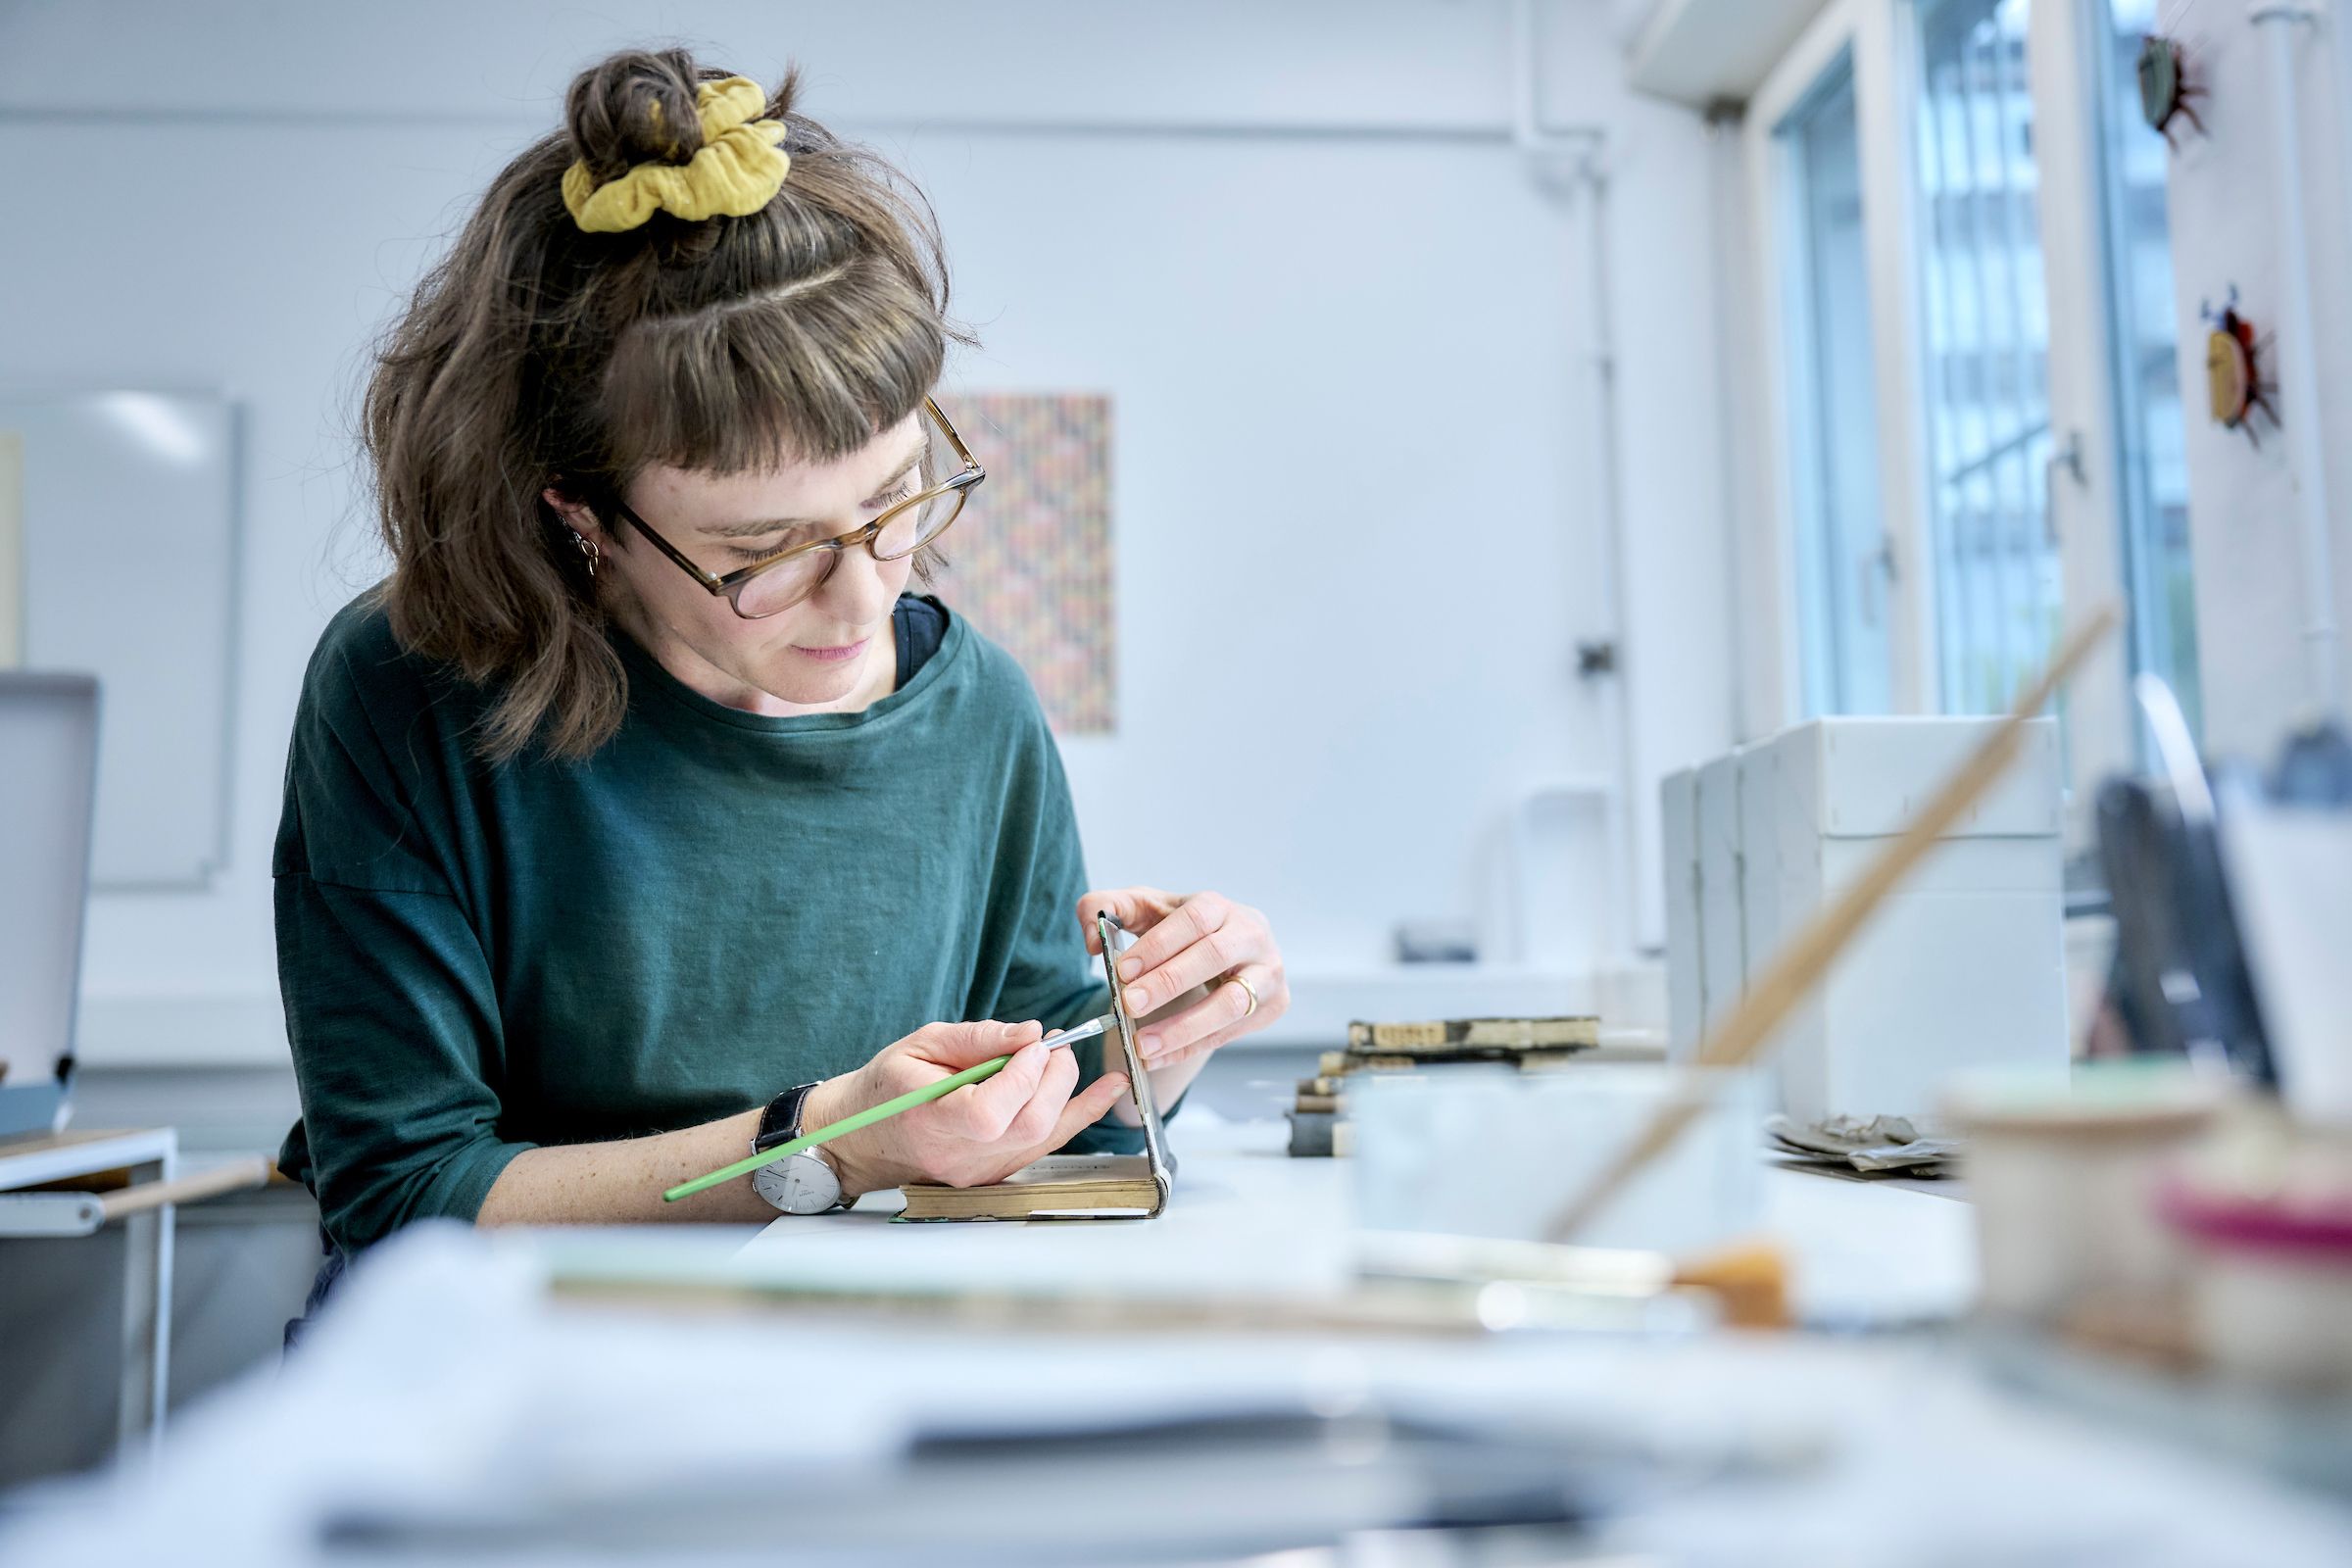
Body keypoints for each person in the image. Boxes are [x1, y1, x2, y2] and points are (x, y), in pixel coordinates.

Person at [272, 47, 1290, 1309]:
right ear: (579, 513)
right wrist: (824, 1144)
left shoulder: (981, 710)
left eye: (895, 501)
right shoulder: (404, 689)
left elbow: (1051, 1131)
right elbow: (401, 1196)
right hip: (516, 1368)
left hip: (858, 1365)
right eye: (765, 552)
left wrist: (1159, 1038)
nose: (864, 601)